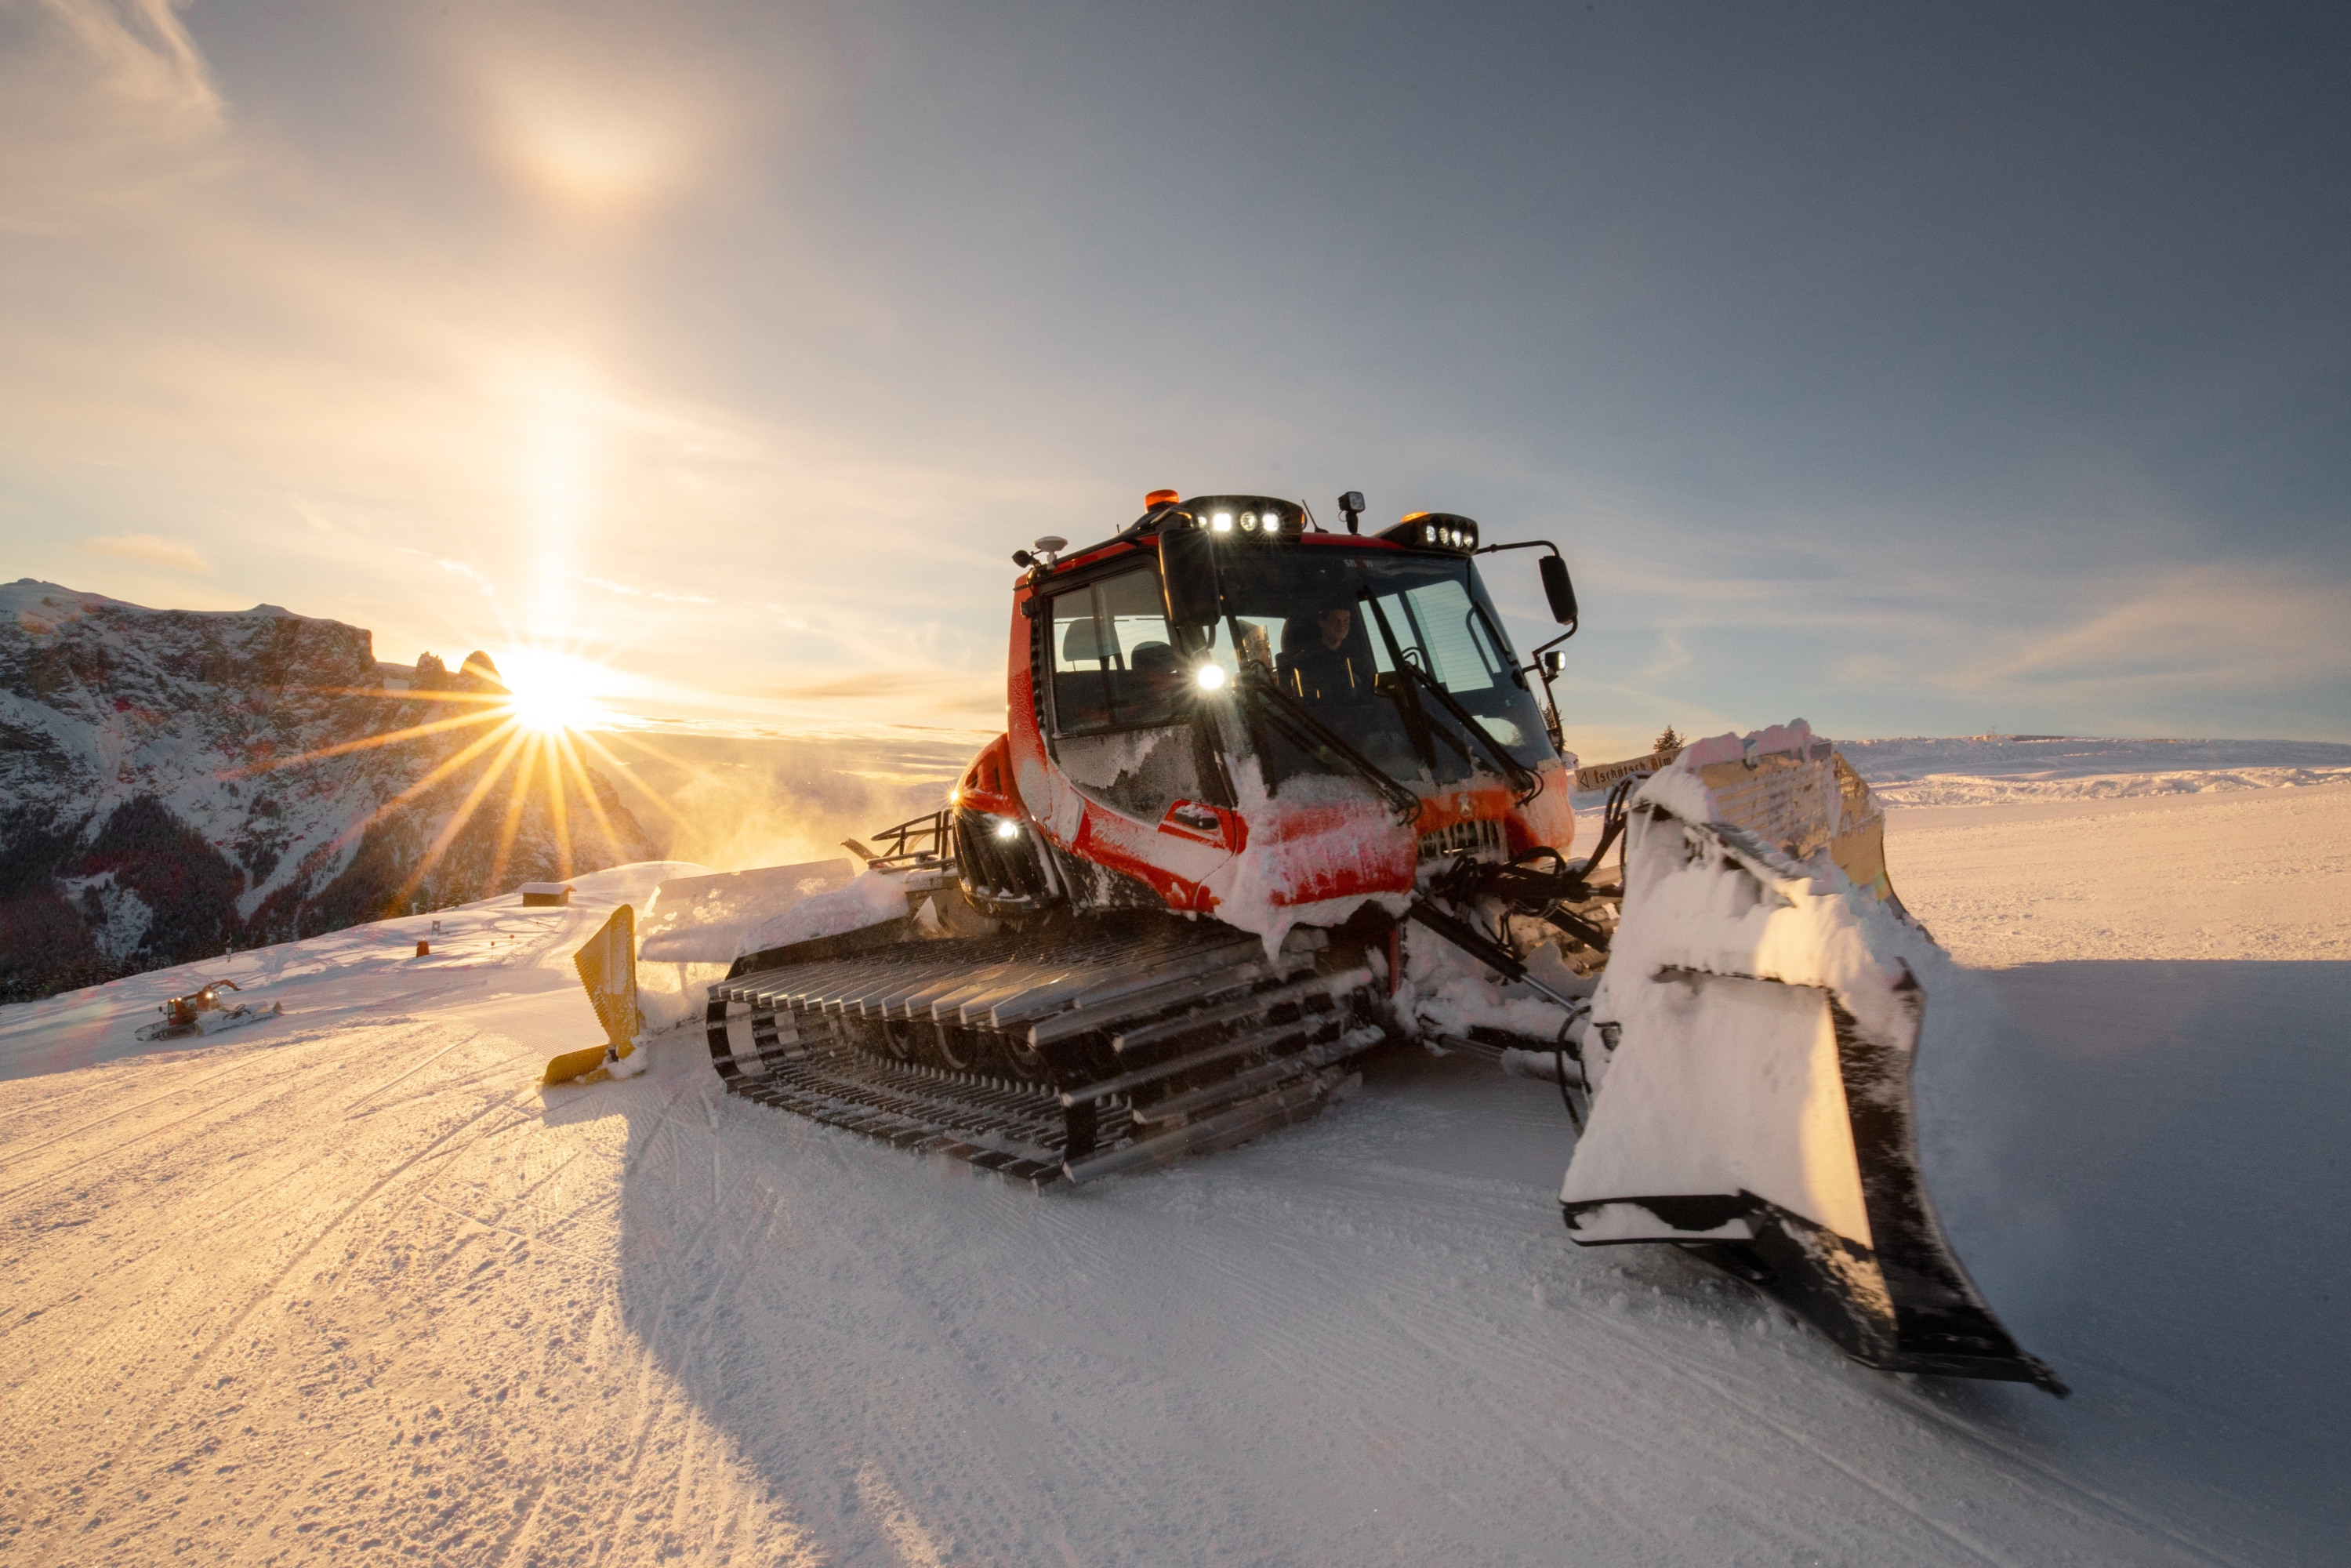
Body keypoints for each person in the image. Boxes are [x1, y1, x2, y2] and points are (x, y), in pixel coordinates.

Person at [1279, 601, 1368, 704]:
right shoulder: (1305, 660)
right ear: (1321, 622)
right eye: (1335, 620)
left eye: (1346, 621)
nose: (1341, 626)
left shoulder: (1358, 658)